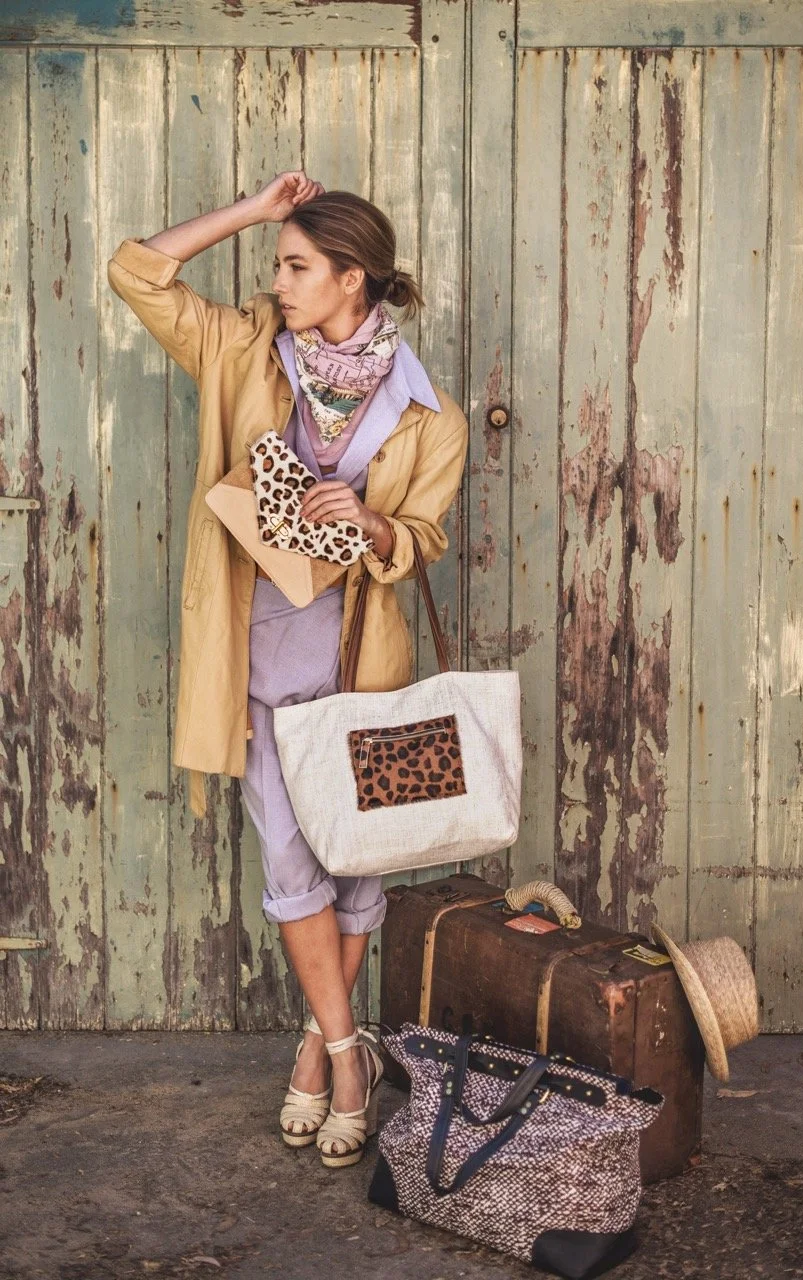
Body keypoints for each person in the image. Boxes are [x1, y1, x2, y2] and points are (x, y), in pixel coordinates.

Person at [107, 171, 469, 1167]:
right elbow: (137, 271)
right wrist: (255, 212)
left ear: (354, 279)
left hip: (361, 669)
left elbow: (424, 537)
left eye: (299, 265)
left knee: (355, 871)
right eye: (279, 263)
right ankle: (352, 1055)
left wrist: (377, 520)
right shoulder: (239, 353)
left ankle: (313, 1041)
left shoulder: (427, 413)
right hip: (254, 660)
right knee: (288, 865)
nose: (279, 281)